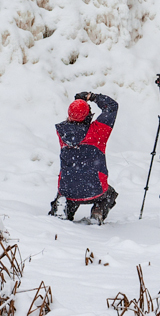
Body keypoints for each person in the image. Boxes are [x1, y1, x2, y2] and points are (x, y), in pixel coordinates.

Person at [49, 91, 118, 224]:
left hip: (68, 189)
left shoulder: (62, 132)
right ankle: (98, 211)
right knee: (109, 194)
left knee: (70, 192)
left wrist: (78, 107)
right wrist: (91, 97)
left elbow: (74, 123)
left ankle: (62, 208)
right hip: (95, 189)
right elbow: (112, 106)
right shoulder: (98, 132)